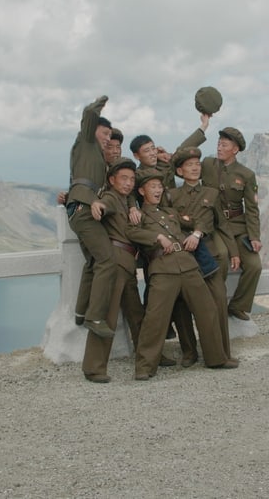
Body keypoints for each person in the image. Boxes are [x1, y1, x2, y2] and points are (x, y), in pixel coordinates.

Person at [132, 168, 237, 379]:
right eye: (153, 186)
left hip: (188, 266)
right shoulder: (138, 215)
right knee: (155, 319)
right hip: (162, 269)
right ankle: (144, 368)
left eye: (160, 186)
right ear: (142, 191)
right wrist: (158, 237)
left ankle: (217, 358)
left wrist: (197, 233)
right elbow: (130, 232)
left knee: (208, 311)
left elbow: (196, 221)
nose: (158, 190)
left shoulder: (170, 213)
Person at [81, 157, 156, 383]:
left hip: (127, 264)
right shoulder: (111, 198)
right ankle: (94, 368)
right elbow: (104, 205)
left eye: (132, 179)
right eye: (123, 178)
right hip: (115, 264)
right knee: (108, 315)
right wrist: (97, 205)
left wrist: (133, 203)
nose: (128, 183)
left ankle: (150, 358)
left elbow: (129, 197)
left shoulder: (127, 199)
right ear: (112, 180)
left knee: (136, 314)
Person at [168, 146, 239, 366]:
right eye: (189, 165)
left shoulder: (211, 193)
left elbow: (222, 224)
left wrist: (234, 252)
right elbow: (169, 223)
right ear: (180, 171)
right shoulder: (172, 195)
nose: (195, 168)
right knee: (181, 305)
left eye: (197, 164)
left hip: (210, 255)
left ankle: (222, 354)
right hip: (185, 257)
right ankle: (189, 352)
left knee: (218, 302)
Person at [192, 127, 262, 321]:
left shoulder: (246, 175)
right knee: (221, 257)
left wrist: (254, 236)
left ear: (235, 149)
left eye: (224, 145)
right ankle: (215, 304)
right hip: (213, 226)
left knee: (255, 266)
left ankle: (238, 306)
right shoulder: (207, 164)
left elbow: (252, 209)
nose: (219, 147)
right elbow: (186, 159)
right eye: (218, 143)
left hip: (238, 227)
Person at [66, 96, 116, 338]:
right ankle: (95, 317)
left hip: (81, 207)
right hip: (84, 210)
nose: (107, 138)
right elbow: (88, 116)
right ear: (93, 129)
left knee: (94, 263)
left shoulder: (95, 154)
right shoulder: (86, 141)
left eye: (110, 135)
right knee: (107, 260)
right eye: (105, 133)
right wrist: (98, 104)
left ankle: (81, 312)